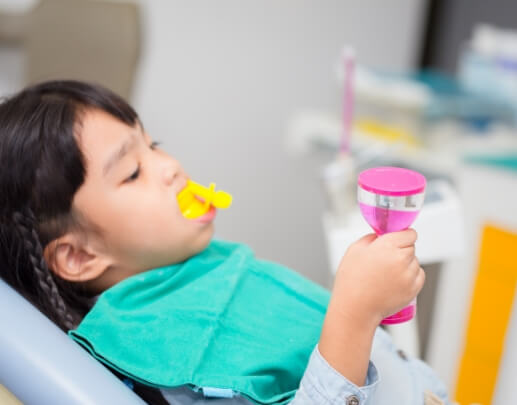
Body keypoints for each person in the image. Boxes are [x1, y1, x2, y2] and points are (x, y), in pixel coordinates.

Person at [0, 80, 451, 405]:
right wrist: (354, 314)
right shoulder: (165, 356)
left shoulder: (201, 270)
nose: (171, 166)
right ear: (78, 255)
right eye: (132, 172)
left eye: (154, 144)